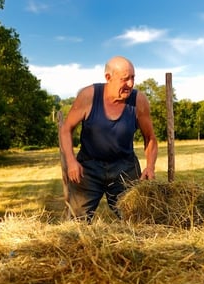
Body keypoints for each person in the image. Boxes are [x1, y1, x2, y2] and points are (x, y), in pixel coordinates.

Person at [59, 55, 158, 221]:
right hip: (89, 168)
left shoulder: (139, 100)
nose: (131, 84)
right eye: (125, 79)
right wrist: (70, 161)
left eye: (133, 78)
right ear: (108, 77)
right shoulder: (88, 96)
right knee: (77, 224)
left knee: (136, 220)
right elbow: (66, 129)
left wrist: (150, 166)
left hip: (124, 168)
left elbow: (150, 137)